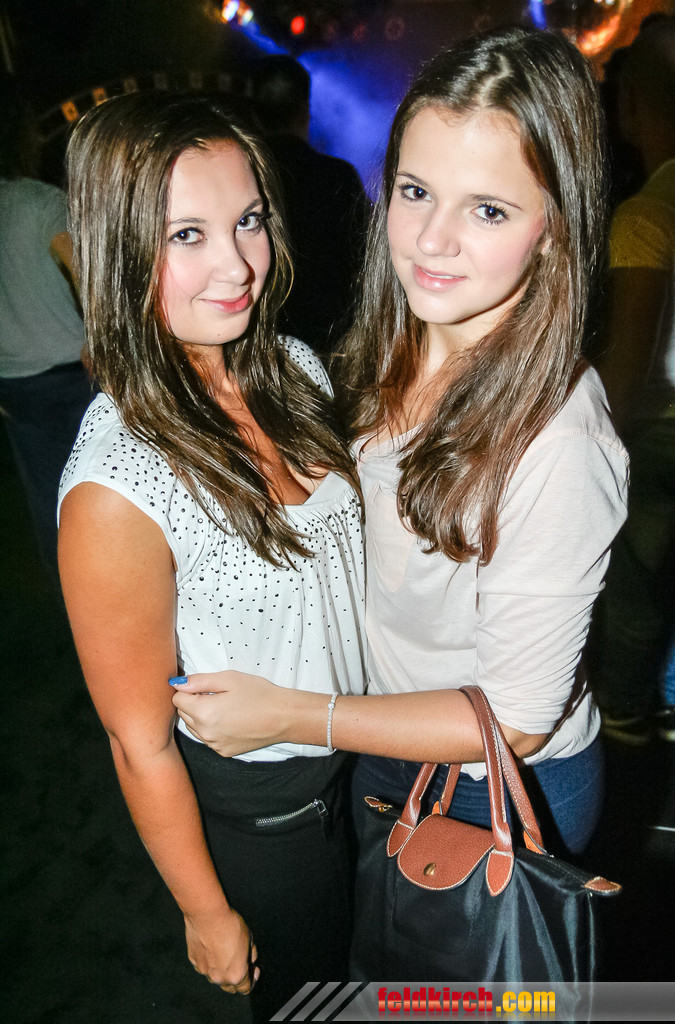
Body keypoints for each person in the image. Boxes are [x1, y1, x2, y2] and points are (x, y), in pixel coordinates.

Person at [173, 26, 629, 873]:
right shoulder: (395, 345)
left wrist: (292, 714)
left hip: (495, 786)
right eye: (416, 192)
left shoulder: (559, 441)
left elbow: (518, 721)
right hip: (388, 742)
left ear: (554, 228)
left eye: (488, 210)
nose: (430, 240)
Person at [57, 92, 365, 1021]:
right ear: (119, 249)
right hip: (271, 811)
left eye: (249, 221)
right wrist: (205, 910)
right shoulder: (120, 484)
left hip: (364, 752)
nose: (236, 265)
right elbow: (138, 738)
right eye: (186, 235)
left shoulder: (292, 367)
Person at [589, 19, 675, 744]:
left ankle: (624, 711)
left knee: (638, 584)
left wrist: (593, 440)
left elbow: (631, 356)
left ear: (632, 108)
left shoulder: (647, 215)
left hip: (662, 433)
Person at [0, 75, 92, 575]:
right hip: (72, 378)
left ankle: (71, 600)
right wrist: (102, 341)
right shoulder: (41, 202)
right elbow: (83, 272)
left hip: (15, 386)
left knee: (49, 509)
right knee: (102, 494)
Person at [250, 55, 369, 359]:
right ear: (306, 111)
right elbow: (368, 260)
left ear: (255, 115)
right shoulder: (338, 177)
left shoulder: (241, 179)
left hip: (257, 349)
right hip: (328, 347)